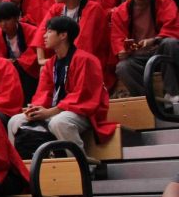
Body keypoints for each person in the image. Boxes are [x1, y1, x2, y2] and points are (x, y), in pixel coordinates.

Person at [7, 15, 115, 151]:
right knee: (14, 121)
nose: (44, 36)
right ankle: (22, 169)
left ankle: (82, 166)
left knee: (59, 122)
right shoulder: (50, 64)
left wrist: (50, 112)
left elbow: (83, 96)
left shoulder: (86, 60)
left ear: (63, 35)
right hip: (55, 111)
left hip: (82, 113)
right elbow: (43, 93)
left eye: (49, 31)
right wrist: (35, 110)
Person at [111, 0, 179, 104]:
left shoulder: (165, 3)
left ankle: (173, 93)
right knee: (122, 67)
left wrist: (154, 40)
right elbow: (117, 38)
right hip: (137, 56)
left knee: (170, 43)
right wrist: (122, 50)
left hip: (159, 50)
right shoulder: (120, 11)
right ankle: (150, 100)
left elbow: (173, 29)